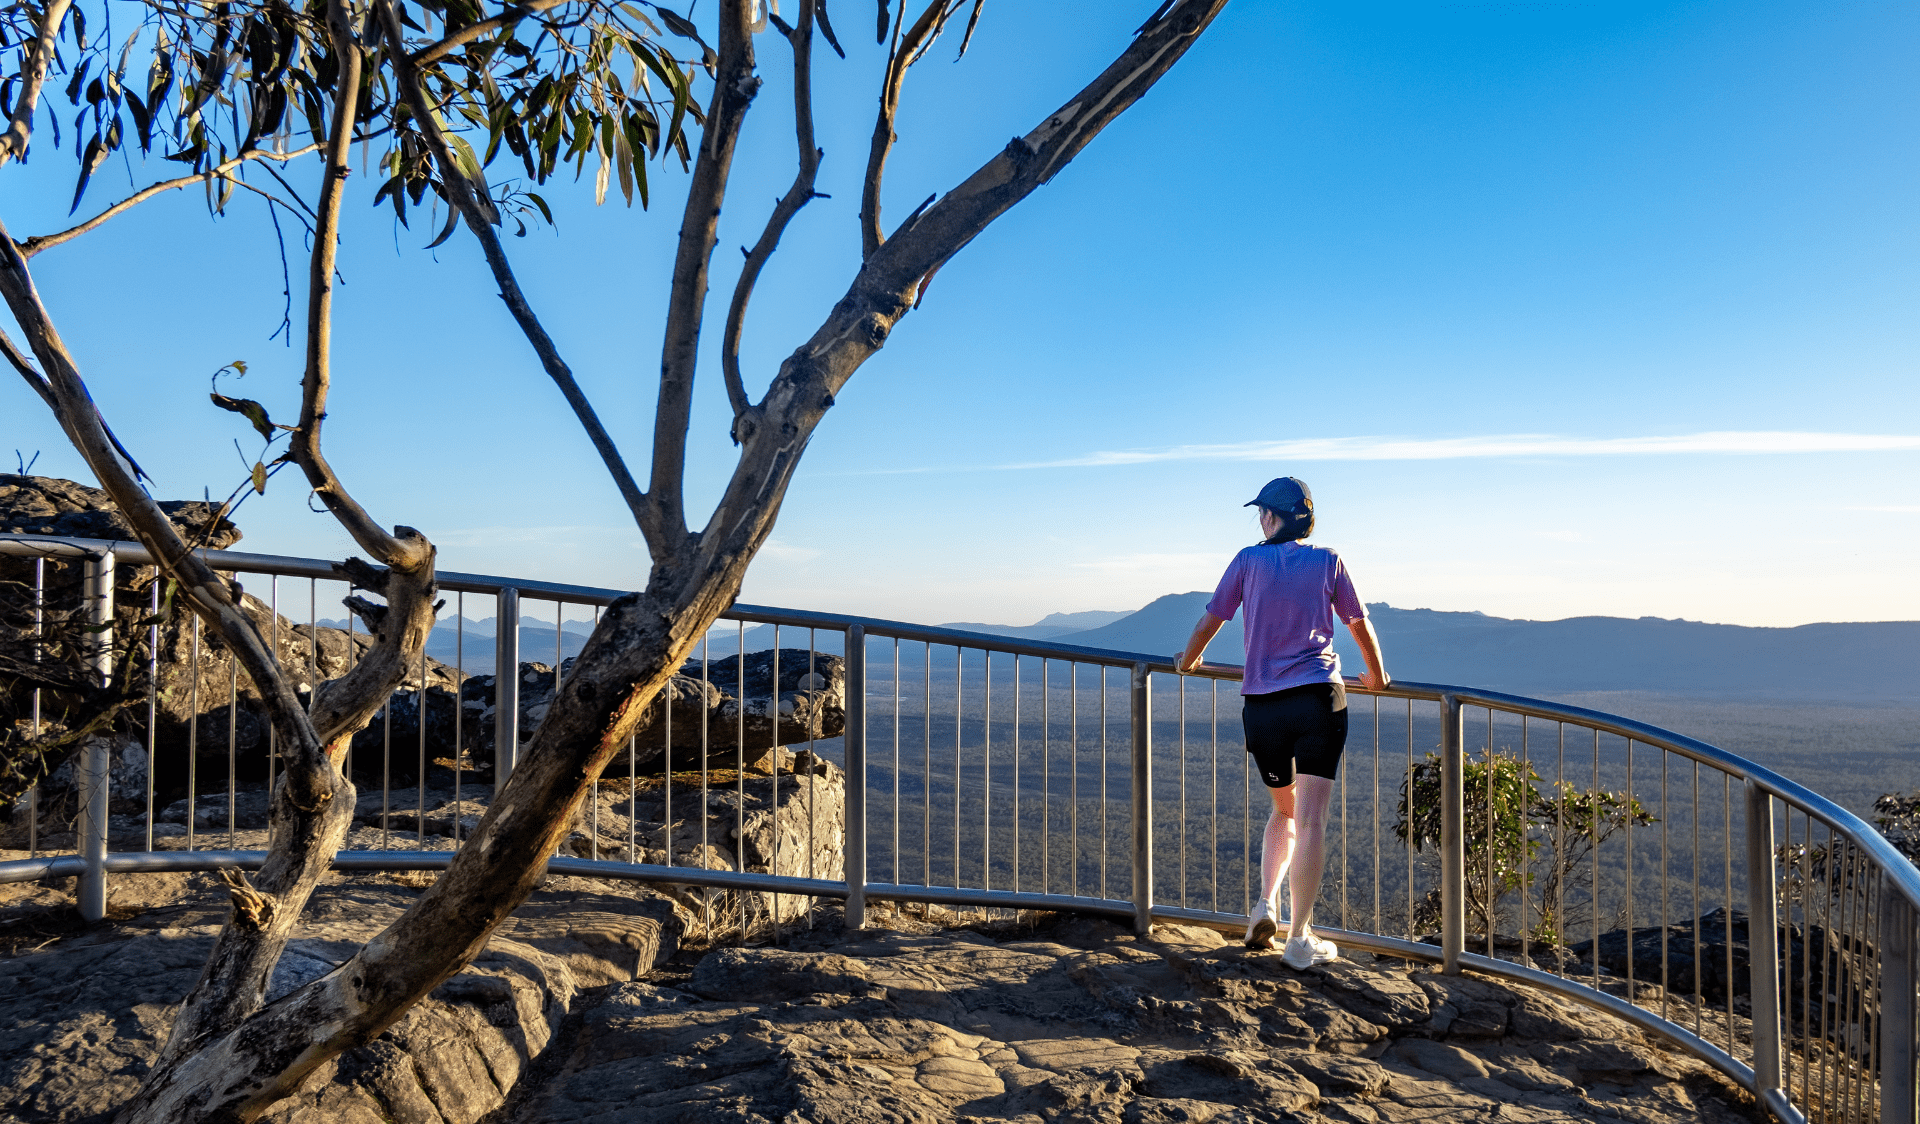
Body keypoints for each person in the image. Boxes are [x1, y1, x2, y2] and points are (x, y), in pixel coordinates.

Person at [1173, 477, 1389, 970]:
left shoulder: (1247, 561)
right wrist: (1376, 677)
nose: (1261, 520)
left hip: (1264, 706)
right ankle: (1299, 938)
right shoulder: (1327, 561)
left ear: (1279, 517)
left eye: (1265, 513)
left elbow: (1212, 620)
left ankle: (1263, 905)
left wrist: (1189, 661)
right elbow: (1358, 623)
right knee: (1311, 819)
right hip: (1318, 699)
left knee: (1285, 811)